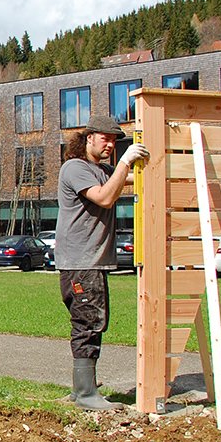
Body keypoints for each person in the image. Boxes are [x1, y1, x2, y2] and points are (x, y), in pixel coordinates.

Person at [55, 114, 148, 410]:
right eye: (105, 138)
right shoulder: (75, 168)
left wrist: (154, 166)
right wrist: (125, 162)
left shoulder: (103, 170)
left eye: (115, 141)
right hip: (80, 263)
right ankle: (85, 394)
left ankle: (83, 389)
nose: (110, 144)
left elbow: (133, 180)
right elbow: (105, 198)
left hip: (91, 263)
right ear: (89, 138)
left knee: (93, 321)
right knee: (88, 323)